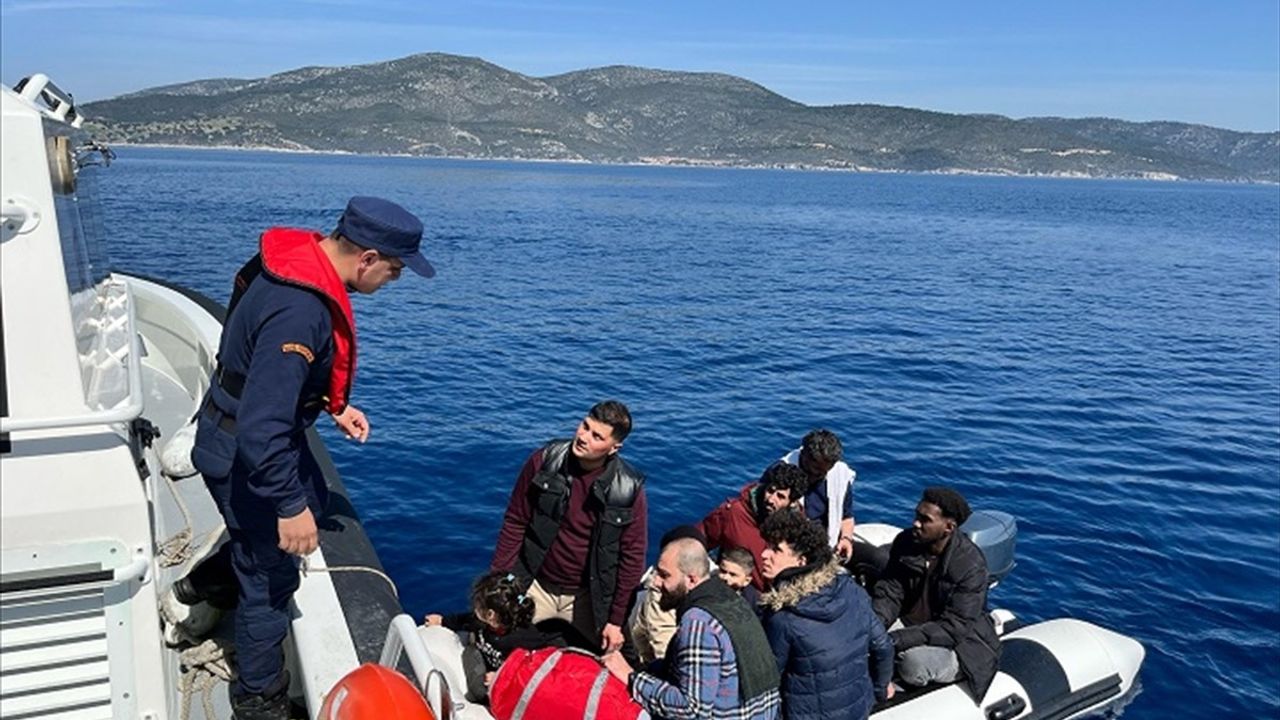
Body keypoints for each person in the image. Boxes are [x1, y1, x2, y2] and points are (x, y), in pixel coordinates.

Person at [172, 197, 435, 719]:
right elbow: (262, 427)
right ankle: (258, 699)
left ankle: (200, 584)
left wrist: (330, 404)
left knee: (303, 511)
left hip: (236, 429)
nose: (393, 281)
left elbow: (259, 369)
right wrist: (288, 506)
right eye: (395, 270)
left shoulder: (296, 264)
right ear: (367, 259)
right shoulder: (302, 311)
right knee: (272, 579)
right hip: (243, 451)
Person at [490, 401, 647, 655]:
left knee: (614, 660)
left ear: (614, 448)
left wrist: (616, 620)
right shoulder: (545, 460)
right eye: (585, 426)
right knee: (496, 641)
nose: (584, 437)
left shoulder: (628, 489)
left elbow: (632, 559)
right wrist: (498, 583)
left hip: (587, 597)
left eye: (597, 436)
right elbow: (515, 522)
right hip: (536, 584)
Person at [602, 538, 782, 720]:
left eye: (665, 575)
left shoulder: (698, 622)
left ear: (691, 579)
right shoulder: (733, 600)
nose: (656, 582)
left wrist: (631, 676)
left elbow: (692, 709)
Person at [758, 511, 894, 720]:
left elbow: (768, 682)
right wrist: (878, 692)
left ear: (801, 561)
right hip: (858, 710)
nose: (764, 555)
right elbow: (883, 647)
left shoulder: (782, 617)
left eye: (775, 549)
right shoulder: (851, 590)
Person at [872, 487, 1000, 702]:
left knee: (913, 664)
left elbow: (955, 627)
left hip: (956, 643)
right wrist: (875, 622)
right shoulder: (905, 542)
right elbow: (890, 591)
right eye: (916, 516)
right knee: (863, 629)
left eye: (925, 520)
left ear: (949, 527)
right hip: (912, 623)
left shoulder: (970, 566)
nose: (916, 523)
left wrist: (897, 640)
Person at [424, 571, 591, 703]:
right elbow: (463, 620)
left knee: (478, 685)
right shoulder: (481, 622)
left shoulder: (524, 639)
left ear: (490, 614)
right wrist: (441, 620)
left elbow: (533, 670)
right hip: (489, 668)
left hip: (506, 680)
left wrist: (501, 677)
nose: (474, 608)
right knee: (470, 651)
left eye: (477, 605)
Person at [780, 429, 887, 586]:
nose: (816, 477)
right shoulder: (781, 472)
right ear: (803, 456)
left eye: (822, 473)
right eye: (812, 471)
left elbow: (846, 516)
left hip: (830, 544)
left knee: (880, 560)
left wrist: (846, 539)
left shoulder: (839, 476)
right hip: (794, 547)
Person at [697, 462, 809, 591]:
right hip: (739, 594)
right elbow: (697, 540)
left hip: (780, 595)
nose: (771, 499)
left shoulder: (798, 526)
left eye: (780, 496)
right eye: (770, 491)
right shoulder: (732, 513)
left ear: (792, 502)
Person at [628, 525, 706, 666]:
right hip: (651, 661)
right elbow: (662, 644)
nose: (657, 582)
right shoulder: (660, 594)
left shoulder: (711, 581)